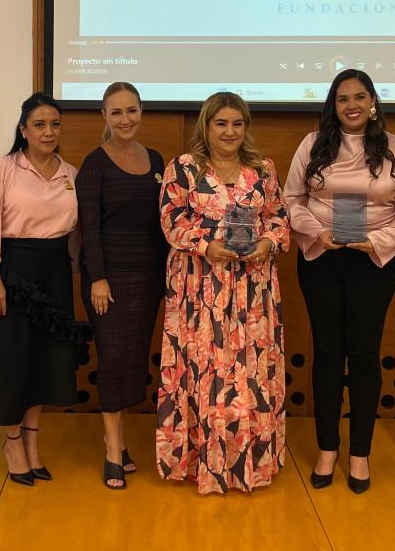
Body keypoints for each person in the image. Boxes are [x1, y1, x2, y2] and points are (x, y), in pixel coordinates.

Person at [284, 68, 395, 494]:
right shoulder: (312, 144)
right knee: (327, 352)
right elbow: (291, 199)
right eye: (343, 99)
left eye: (360, 97)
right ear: (334, 105)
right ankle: (327, 448)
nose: (352, 105)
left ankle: (360, 452)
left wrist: (376, 240)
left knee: (363, 355)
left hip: (373, 261)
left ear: (373, 102)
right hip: (321, 257)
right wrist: (317, 232)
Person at [0, 92, 91, 487]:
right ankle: (12, 443)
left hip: (54, 274)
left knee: (44, 361)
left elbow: (75, 233)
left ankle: (32, 442)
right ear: (23, 130)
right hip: (10, 273)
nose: (48, 132)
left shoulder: (70, 173)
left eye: (54, 125)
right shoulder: (4, 167)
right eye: (39, 125)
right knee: (12, 361)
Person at [156, 92, 290, 495]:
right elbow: (170, 221)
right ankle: (202, 464)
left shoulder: (262, 169)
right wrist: (205, 246)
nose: (230, 131)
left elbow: (279, 218)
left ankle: (247, 464)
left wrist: (267, 243)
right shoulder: (183, 168)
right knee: (203, 370)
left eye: (237, 123)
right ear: (206, 126)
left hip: (253, 291)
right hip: (199, 288)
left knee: (249, 374)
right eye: (221, 123)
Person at [76, 82, 167, 489]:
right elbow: (89, 228)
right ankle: (112, 450)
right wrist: (97, 278)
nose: (125, 119)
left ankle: (120, 442)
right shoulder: (94, 164)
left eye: (132, 110)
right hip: (107, 282)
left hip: (148, 279)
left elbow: (162, 224)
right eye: (116, 112)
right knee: (113, 359)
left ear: (141, 112)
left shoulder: (156, 159)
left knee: (133, 361)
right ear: (105, 116)